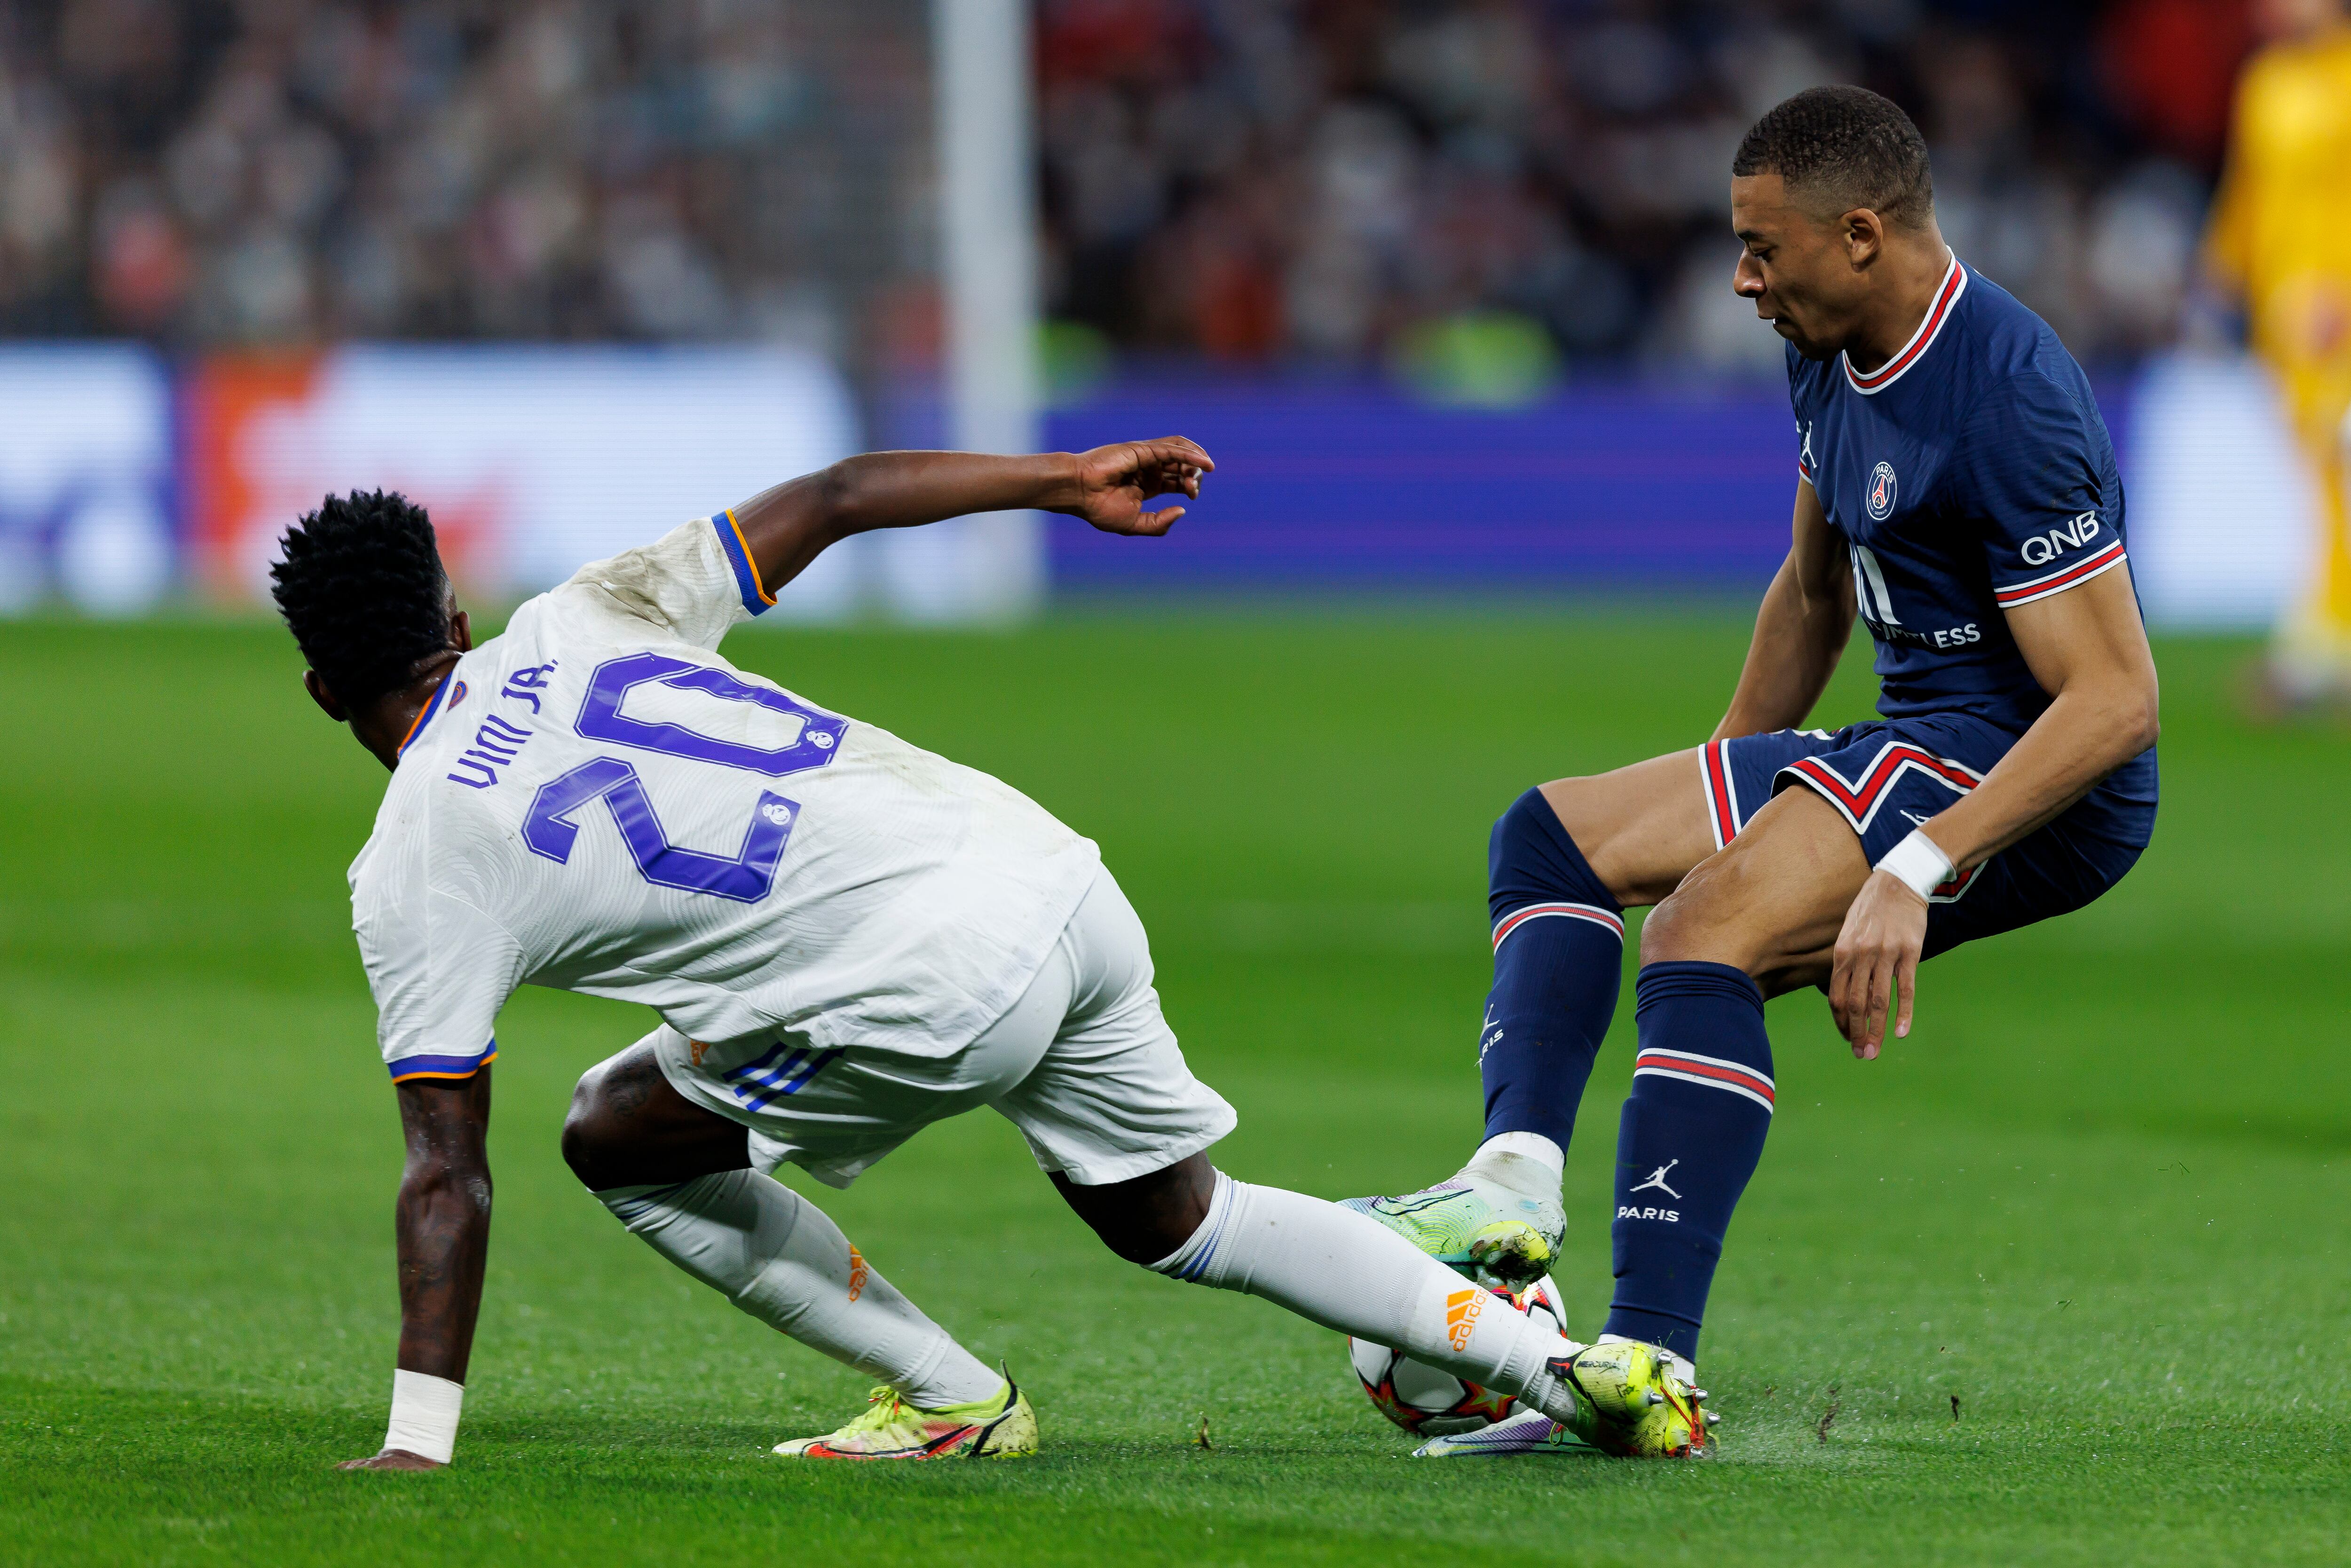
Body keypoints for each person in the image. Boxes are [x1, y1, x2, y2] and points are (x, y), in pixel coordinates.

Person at [272, 441, 1706, 1470]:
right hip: (1050, 873)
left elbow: (444, 1168)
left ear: (327, 689)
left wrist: (417, 1444)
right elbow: (833, 497)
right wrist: (1063, 481)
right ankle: (1569, 1372)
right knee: (1180, 1217)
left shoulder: (410, 867)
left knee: (614, 1136)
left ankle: (948, 1395)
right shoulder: (587, 613)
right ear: (457, 616)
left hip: (927, 981)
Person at [1355, 86, 2159, 1455]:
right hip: (1903, 736)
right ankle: (1513, 1194)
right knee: (1551, 838)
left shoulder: (2013, 394)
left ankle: (1646, 1368)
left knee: (1699, 934)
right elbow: (1811, 591)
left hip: (2025, 773)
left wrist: (1916, 866)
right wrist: (1722, 788)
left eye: (1761, 249)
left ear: (1860, 235)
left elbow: (2118, 701)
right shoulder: (1825, 342)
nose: (1741, 278)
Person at [2203, 0, 2351, 707]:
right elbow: (2249, 190)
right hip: (2281, 309)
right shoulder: (2264, 80)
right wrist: (2221, 271)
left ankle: (2322, 641)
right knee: (2316, 466)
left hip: (2337, 307)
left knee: (2337, 459)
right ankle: (2325, 635)